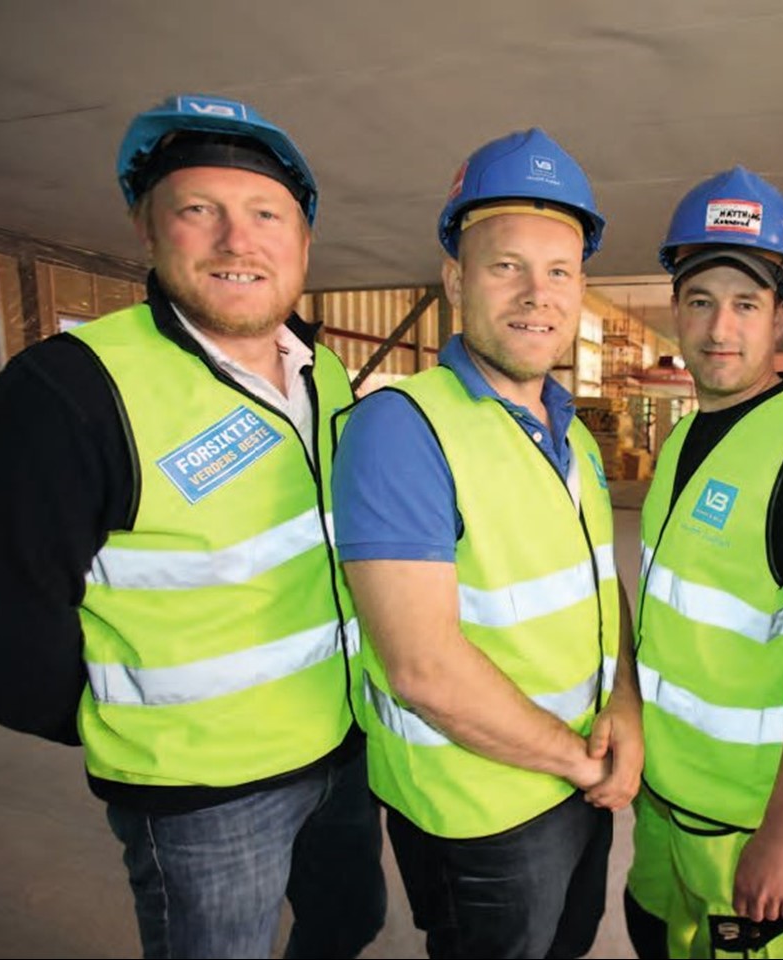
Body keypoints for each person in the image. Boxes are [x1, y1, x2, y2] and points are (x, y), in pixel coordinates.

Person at [0, 93, 386, 959]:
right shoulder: (70, 393)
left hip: (342, 746)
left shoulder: (321, 371)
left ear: (302, 244)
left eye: (264, 214)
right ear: (148, 229)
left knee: (348, 922)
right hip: (201, 793)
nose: (236, 240)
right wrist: (132, 723)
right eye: (197, 211)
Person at [330, 126, 643, 959]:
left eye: (560, 271)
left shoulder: (569, 432)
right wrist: (580, 764)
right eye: (507, 266)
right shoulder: (402, 428)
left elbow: (598, 586)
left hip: (578, 772)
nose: (536, 294)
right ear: (456, 279)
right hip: (481, 810)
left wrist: (625, 709)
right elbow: (422, 668)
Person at [621, 166, 783, 959]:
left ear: (779, 314)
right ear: (676, 310)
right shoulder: (681, 442)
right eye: (700, 302)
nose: (718, 328)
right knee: (650, 936)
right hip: (663, 799)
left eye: (744, 303)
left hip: (743, 820)